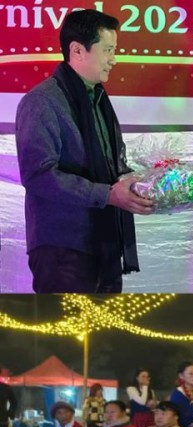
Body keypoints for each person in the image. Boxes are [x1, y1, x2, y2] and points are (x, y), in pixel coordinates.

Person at [15, 9, 153, 293]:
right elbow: (38, 176)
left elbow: (115, 168)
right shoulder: (42, 101)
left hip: (104, 246)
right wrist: (107, 195)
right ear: (77, 50)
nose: (114, 60)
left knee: (104, 325)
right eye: (108, 50)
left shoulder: (98, 100)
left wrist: (154, 185)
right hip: (63, 251)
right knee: (65, 324)